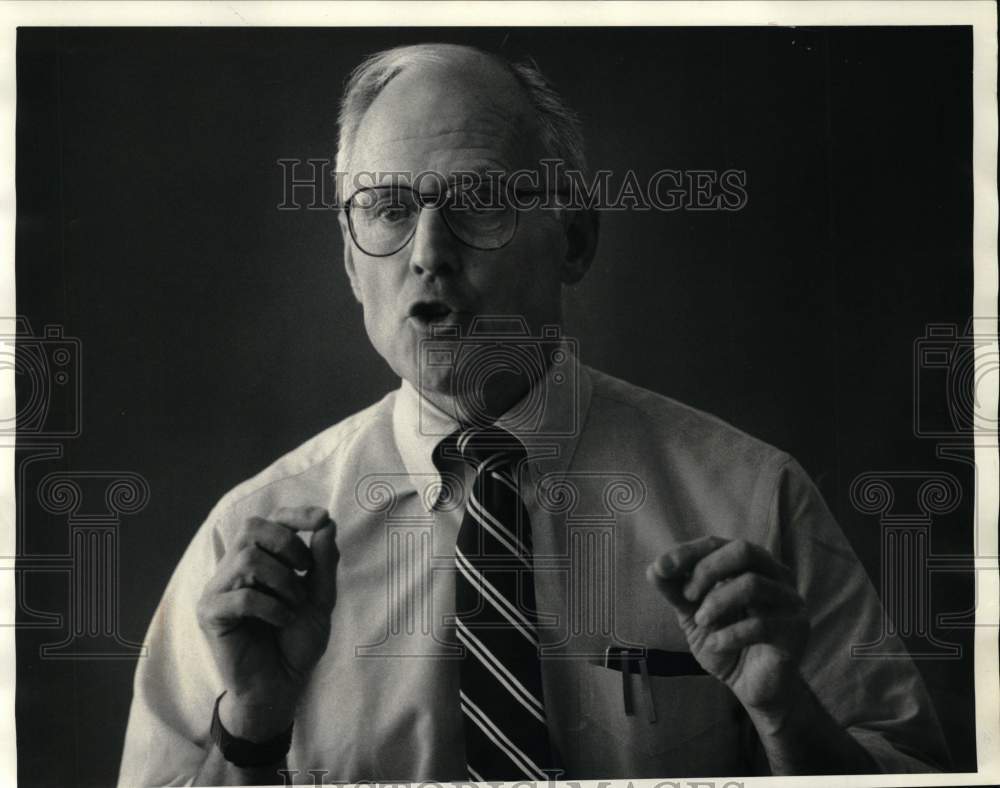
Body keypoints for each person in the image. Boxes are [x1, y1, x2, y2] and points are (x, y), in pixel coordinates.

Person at [118, 43, 949, 786]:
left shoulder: (755, 503)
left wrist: (788, 719)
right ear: (348, 258)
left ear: (574, 238)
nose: (429, 253)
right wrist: (251, 732)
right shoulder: (249, 546)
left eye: (480, 200)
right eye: (389, 208)